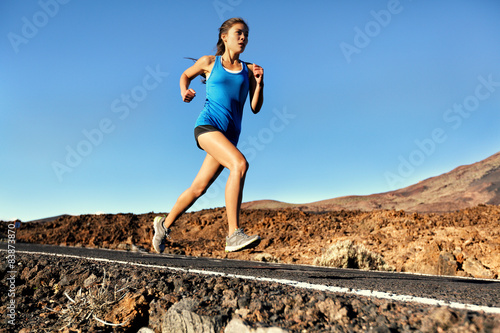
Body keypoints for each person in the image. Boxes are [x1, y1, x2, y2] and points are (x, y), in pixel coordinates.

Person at [152, 17, 264, 254]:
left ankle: (163, 225)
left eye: (246, 34)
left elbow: (255, 107)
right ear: (225, 37)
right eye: (238, 33)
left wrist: (260, 84)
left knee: (198, 188)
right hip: (207, 127)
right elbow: (185, 75)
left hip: (229, 137)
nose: (243, 38)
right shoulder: (209, 62)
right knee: (240, 164)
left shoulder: (249, 69)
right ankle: (234, 233)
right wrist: (184, 91)